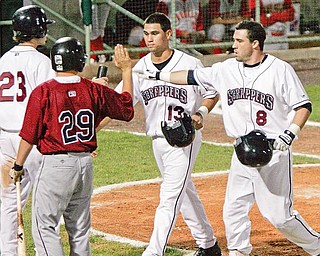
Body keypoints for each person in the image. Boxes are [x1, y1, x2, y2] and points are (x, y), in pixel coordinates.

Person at [138, 20, 320, 256]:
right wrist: (159, 74)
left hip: (273, 152)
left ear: (255, 44)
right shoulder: (226, 70)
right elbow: (192, 76)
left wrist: (289, 134)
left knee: (280, 216)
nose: (233, 45)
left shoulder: (280, 69)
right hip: (241, 151)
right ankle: (238, 251)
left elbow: (303, 105)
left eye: (238, 41)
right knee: (233, 210)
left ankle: (316, 246)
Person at [98, 12, 222, 256]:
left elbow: (212, 92)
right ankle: (208, 246)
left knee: (169, 197)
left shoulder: (189, 63)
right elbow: (119, 106)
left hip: (184, 138)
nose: (149, 39)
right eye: (146, 34)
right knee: (184, 192)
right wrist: (92, 134)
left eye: (154, 34)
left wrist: (201, 113)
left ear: (168, 34)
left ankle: (153, 252)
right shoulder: (139, 68)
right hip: (157, 139)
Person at [9, 38, 134, 255]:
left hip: (56, 167)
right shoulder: (94, 89)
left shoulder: (44, 91)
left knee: (44, 227)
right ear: (79, 60)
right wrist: (126, 71)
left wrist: (18, 165)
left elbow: (29, 135)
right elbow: (126, 109)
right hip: (85, 165)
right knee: (79, 229)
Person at [0, 5, 55, 255]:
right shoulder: (41, 62)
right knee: (45, 203)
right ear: (38, 30)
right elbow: (50, 104)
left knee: (9, 203)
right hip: (32, 141)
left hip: (5, 139)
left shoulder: (3, 60)